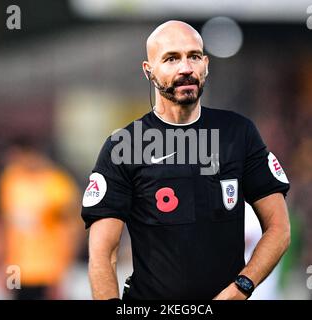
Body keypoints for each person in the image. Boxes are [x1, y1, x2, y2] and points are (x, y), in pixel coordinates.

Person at [81, 20, 291, 300]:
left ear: (206, 63)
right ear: (148, 70)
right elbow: (103, 255)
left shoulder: (237, 133)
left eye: (193, 56)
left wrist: (240, 289)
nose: (186, 68)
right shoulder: (124, 145)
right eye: (171, 59)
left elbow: (279, 230)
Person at [0, 137, 81, 299]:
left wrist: (64, 269)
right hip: (15, 267)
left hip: (48, 270)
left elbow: (72, 229)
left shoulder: (57, 184)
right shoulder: (11, 179)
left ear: (29, 154)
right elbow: (5, 223)